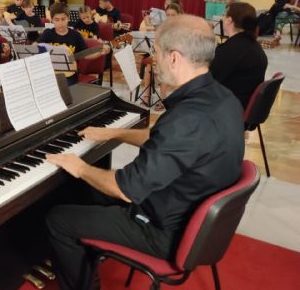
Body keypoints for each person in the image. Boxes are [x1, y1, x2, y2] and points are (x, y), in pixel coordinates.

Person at [45, 15, 245, 290]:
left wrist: (79, 167)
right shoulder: (223, 98)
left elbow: (127, 188)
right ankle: (83, 257)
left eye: (156, 52)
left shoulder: (187, 119)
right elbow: (164, 140)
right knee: (85, 192)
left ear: (174, 58)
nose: (153, 59)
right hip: (186, 209)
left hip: (163, 230)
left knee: (58, 219)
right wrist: (114, 133)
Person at [210, 2, 267, 109]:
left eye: (224, 15)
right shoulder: (252, 44)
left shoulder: (232, 49)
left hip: (229, 108)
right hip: (244, 104)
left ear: (229, 20)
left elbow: (210, 80)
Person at [38, 3, 110, 86]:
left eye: (63, 19)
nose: (60, 23)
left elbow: (86, 55)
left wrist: (101, 52)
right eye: (57, 20)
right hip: (49, 72)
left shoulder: (75, 35)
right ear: (52, 20)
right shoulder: (48, 33)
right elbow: (35, 47)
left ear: (68, 18)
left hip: (69, 74)